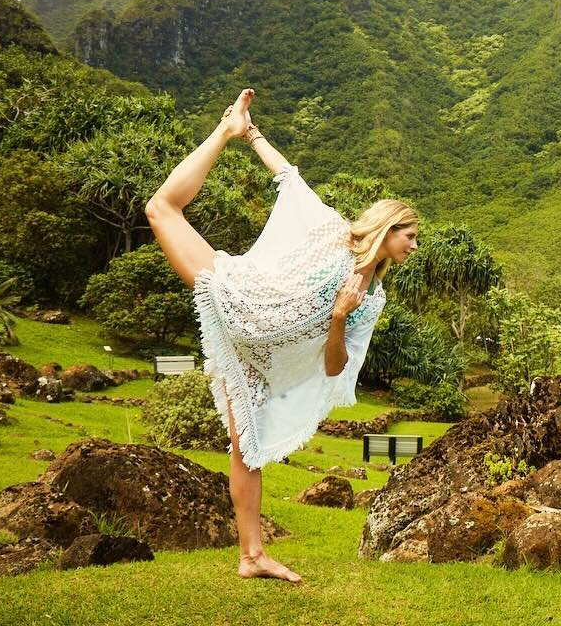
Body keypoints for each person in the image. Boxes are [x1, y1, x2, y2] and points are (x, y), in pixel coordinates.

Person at [144, 88, 419, 582]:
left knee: (246, 450)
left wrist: (338, 317)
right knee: (161, 208)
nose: (414, 248)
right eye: (410, 236)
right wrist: (248, 134)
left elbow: (336, 368)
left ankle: (252, 556)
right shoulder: (333, 234)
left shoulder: (370, 302)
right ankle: (222, 130)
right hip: (240, 299)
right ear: (388, 227)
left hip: (256, 359)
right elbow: (289, 179)